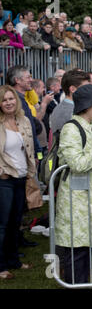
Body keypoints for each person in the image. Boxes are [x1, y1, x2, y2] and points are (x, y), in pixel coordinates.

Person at [54, 84, 92, 284]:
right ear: (86, 105)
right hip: (75, 201)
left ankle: (82, 284)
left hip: (88, 200)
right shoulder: (71, 129)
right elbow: (77, 164)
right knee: (76, 251)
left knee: (84, 249)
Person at [0, 85, 36, 280]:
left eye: (11, 99)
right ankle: (1, 265)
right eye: (4, 100)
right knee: (2, 225)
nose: (8, 102)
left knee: (15, 223)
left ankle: (13, 260)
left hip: (21, 178)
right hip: (4, 180)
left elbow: (27, 149)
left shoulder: (22, 120)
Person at [49, 70, 90, 135]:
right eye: (85, 88)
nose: (88, 91)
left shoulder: (60, 108)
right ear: (73, 89)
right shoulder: (72, 112)